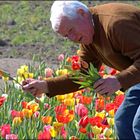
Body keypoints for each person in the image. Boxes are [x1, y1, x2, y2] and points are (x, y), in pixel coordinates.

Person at [22, 1, 140, 139]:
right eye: (66, 36)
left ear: (81, 13)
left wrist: (119, 81)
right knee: (123, 122)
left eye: (71, 30)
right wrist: (46, 86)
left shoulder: (116, 24)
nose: (72, 39)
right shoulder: (88, 37)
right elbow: (84, 74)